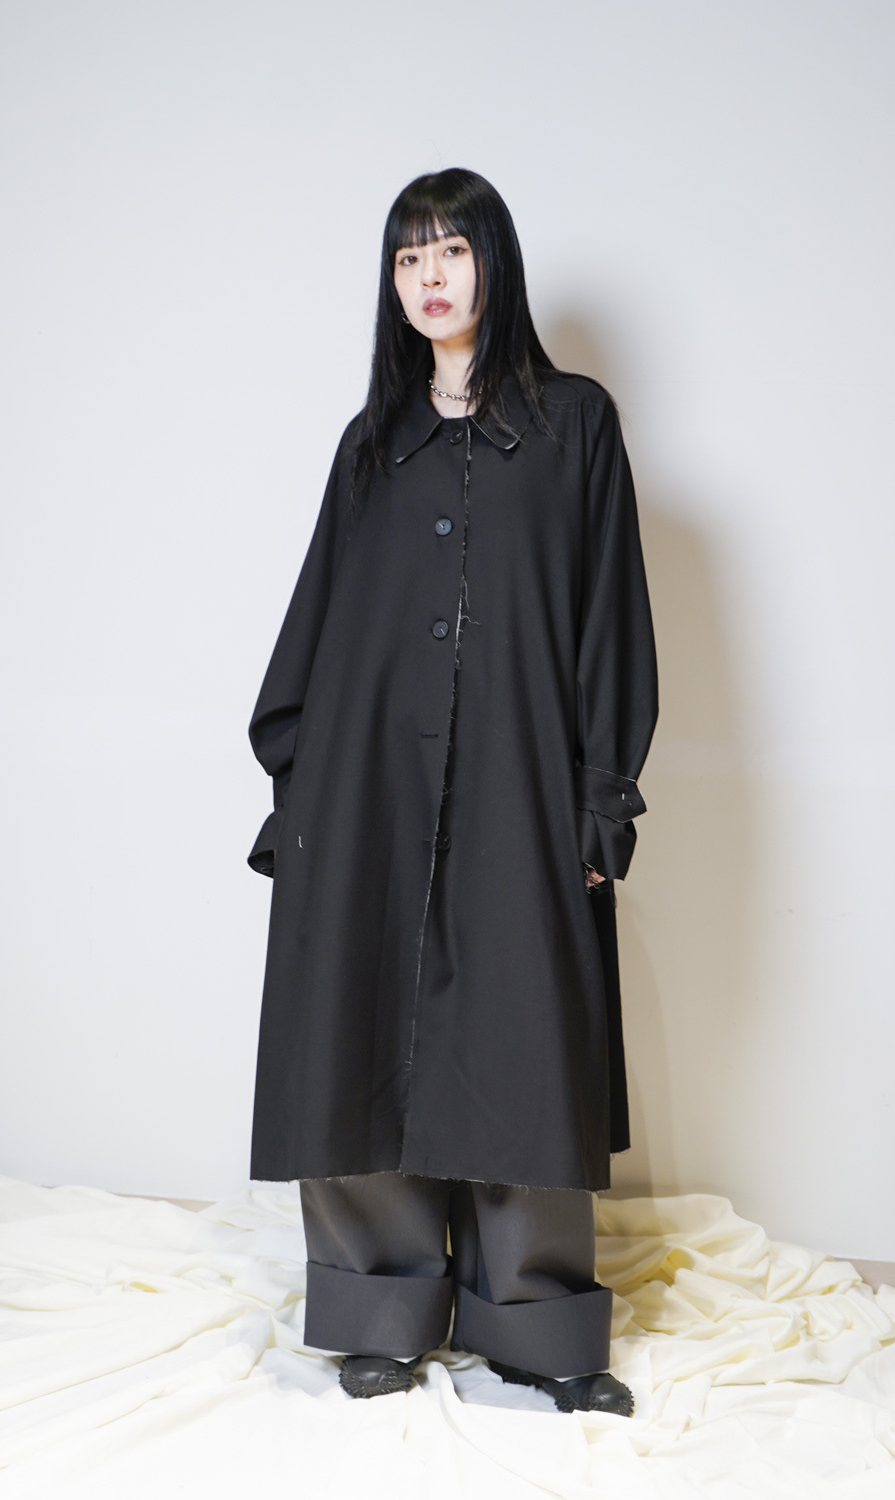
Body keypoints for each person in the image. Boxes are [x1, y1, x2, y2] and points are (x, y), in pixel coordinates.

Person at [246, 168, 658, 1414]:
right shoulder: (371, 445)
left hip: (521, 782)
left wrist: (599, 801)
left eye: (452, 251)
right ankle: (377, 1312)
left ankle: (538, 1331)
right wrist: (299, 791)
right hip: (365, 788)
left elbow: (611, 621)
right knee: (357, 1032)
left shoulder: (575, 426)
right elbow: (320, 622)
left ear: (495, 263)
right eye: (406, 257)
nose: (429, 278)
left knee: (523, 1043)